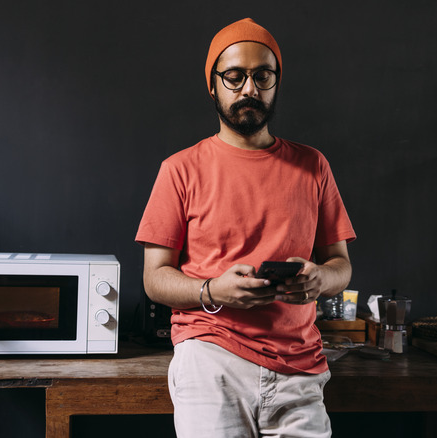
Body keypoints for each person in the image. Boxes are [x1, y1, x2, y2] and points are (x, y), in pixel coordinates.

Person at [136, 17, 356, 438]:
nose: (249, 89)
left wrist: (319, 279)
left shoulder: (313, 166)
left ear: (276, 83)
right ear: (213, 85)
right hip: (210, 359)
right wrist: (212, 290)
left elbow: (340, 265)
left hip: (301, 368)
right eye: (234, 77)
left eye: (262, 76)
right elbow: (154, 278)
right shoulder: (179, 170)